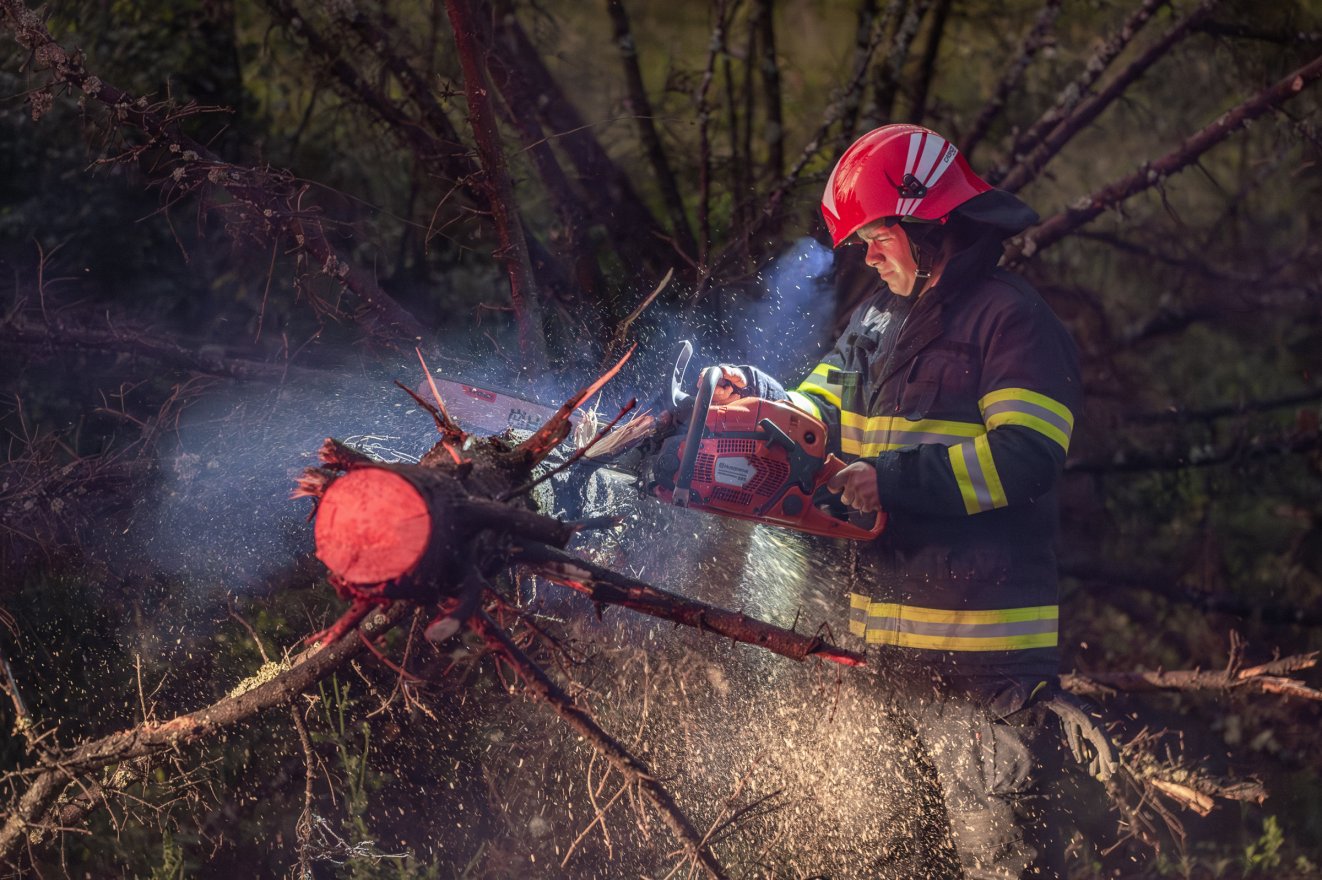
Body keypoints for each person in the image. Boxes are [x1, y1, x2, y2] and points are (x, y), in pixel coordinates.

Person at [715, 124, 1092, 877]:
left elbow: (1028, 456)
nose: (868, 253)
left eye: (876, 235)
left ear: (928, 222)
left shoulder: (1010, 320)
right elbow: (813, 413)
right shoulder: (875, 323)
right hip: (882, 669)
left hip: (985, 679)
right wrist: (750, 402)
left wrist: (893, 479)